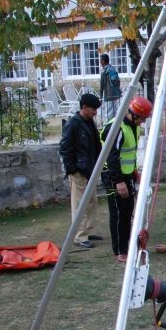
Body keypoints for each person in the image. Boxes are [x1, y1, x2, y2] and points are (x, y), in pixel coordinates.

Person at [101, 96, 152, 262]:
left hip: (127, 175)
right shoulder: (116, 127)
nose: (143, 122)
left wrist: (134, 172)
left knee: (128, 211)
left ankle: (128, 245)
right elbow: (112, 156)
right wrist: (118, 181)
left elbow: (129, 153)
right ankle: (119, 250)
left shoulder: (133, 126)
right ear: (134, 114)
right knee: (118, 213)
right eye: (143, 118)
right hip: (114, 177)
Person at [59, 93, 103, 248]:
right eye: (93, 109)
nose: (95, 112)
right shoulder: (73, 124)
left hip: (90, 169)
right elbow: (65, 148)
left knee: (92, 201)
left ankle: (88, 231)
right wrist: (72, 170)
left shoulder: (89, 122)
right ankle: (79, 237)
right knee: (79, 205)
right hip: (79, 171)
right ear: (84, 108)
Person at [100, 54, 121, 121]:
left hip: (111, 94)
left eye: (101, 60)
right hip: (108, 94)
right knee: (110, 112)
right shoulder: (105, 70)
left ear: (103, 61)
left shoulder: (110, 70)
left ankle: (110, 127)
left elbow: (116, 81)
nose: (100, 62)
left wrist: (116, 89)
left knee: (110, 113)